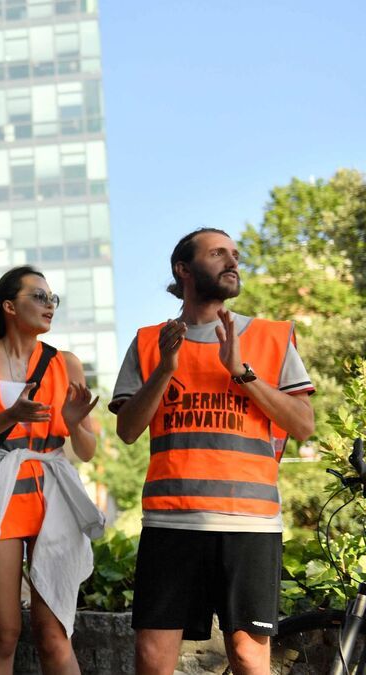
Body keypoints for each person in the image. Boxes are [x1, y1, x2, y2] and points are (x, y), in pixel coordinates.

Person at [110, 228, 315, 675]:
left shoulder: (271, 337)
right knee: (151, 657)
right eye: (218, 253)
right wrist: (166, 369)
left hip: (250, 520)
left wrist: (241, 371)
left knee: (247, 655)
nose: (232, 261)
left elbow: (302, 424)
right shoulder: (150, 341)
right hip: (171, 519)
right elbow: (127, 431)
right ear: (184, 269)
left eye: (235, 254)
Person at [0, 265, 104, 674]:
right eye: (38, 296)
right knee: (2, 634)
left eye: (52, 298)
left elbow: (88, 451)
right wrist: (9, 416)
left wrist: (74, 422)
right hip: (0, 492)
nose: (49, 305)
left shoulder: (65, 363)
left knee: (54, 633)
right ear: (9, 306)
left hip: (52, 493)